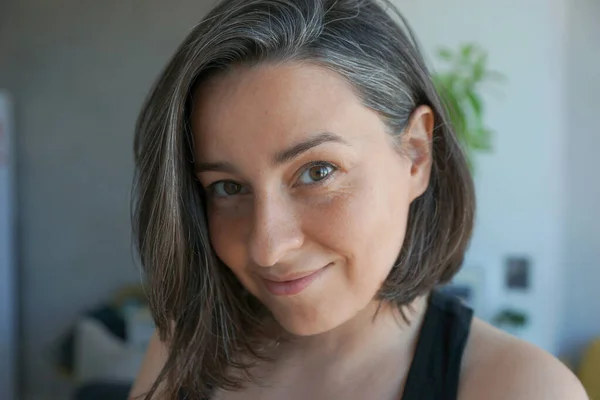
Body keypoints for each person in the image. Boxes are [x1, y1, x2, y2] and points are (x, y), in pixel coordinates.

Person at [129, 0, 587, 399]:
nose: (266, 247)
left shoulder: (520, 388)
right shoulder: (184, 353)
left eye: (317, 172)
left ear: (416, 154)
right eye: (228, 188)